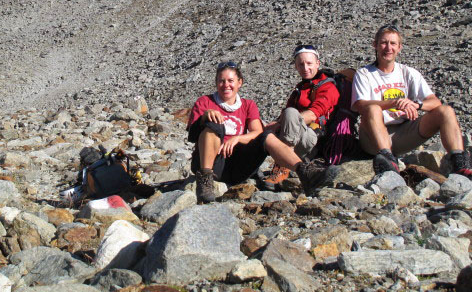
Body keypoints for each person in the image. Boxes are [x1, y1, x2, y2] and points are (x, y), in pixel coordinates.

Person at [351, 24, 471, 178]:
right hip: (373, 137)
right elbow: (360, 105)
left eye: (393, 43)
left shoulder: (408, 73)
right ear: (375, 45)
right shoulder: (364, 74)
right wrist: (394, 102)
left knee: (446, 111)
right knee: (372, 109)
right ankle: (387, 160)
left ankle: (459, 162)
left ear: (399, 47)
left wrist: (417, 105)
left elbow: (434, 101)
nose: (388, 48)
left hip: (404, 132)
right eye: (384, 43)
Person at [259, 45, 340, 190]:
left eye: (309, 63)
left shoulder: (327, 87)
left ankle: (282, 166)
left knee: (290, 113)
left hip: (314, 138)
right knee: (257, 125)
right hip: (297, 135)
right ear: (296, 66)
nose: (305, 67)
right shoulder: (300, 88)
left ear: (318, 63)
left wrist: (280, 124)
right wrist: (273, 124)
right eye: (301, 64)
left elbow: (314, 113)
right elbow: (284, 117)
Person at [187, 61, 266, 203]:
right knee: (214, 125)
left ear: (239, 82)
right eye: (221, 81)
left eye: (231, 81)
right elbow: (192, 136)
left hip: (236, 163)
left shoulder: (248, 105)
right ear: (216, 83)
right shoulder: (204, 102)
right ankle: (205, 181)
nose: (226, 85)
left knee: (268, 137)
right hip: (214, 162)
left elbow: (258, 132)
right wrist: (205, 117)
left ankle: (303, 171)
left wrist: (237, 138)